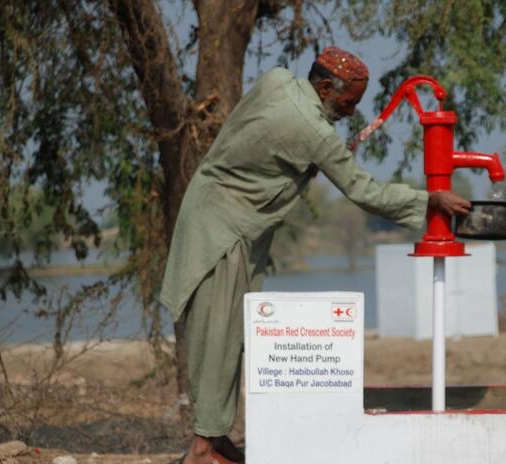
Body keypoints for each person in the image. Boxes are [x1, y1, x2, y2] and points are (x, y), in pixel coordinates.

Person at [159, 47, 471, 464]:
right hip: (222, 230)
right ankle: (201, 449)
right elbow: (365, 191)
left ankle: (215, 438)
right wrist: (429, 202)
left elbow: (265, 141)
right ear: (325, 87)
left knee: (232, 335)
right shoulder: (315, 133)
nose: (350, 111)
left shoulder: (277, 81)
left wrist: (303, 161)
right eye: (347, 102)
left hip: (212, 208)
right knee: (218, 338)